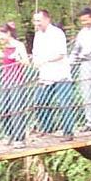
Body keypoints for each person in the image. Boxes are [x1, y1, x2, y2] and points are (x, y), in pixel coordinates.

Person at [30, 10, 76, 140]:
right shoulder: (38, 35)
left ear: (47, 19)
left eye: (39, 20)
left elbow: (61, 54)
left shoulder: (57, 33)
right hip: (45, 76)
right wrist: (35, 61)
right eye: (35, 20)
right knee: (40, 102)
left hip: (61, 75)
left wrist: (45, 60)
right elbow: (35, 54)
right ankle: (47, 128)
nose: (36, 23)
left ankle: (68, 132)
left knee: (64, 104)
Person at [0, 22, 30, 147]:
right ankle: (9, 134)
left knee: (17, 110)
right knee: (4, 110)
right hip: (6, 81)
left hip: (17, 81)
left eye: (0, 34)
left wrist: (17, 59)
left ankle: (19, 138)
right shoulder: (4, 47)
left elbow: (26, 62)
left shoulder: (18, 45)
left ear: (8, 33)